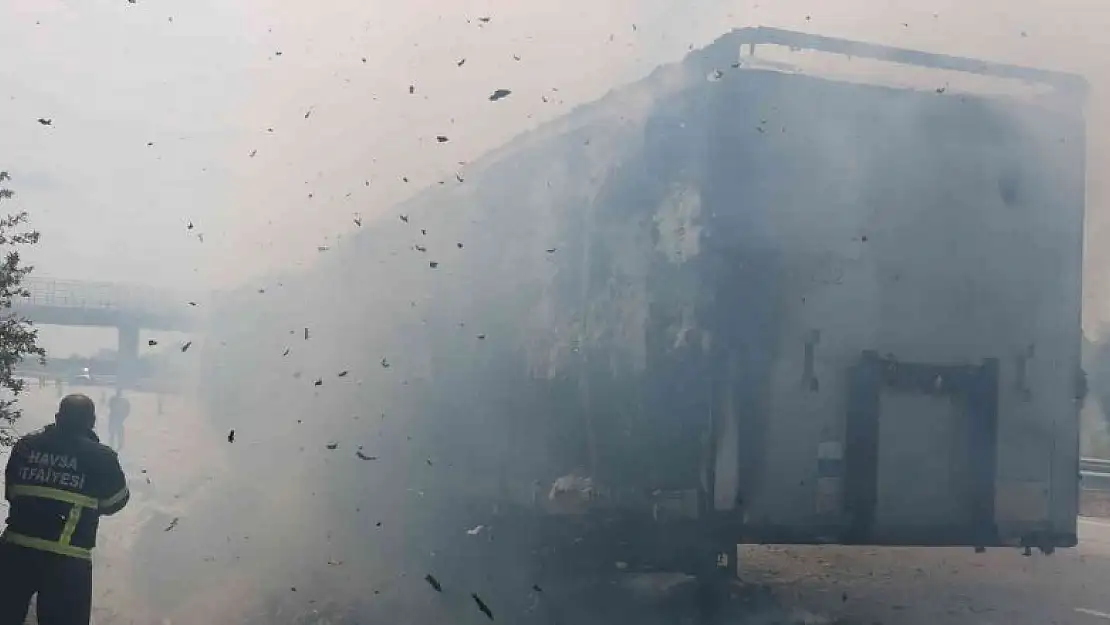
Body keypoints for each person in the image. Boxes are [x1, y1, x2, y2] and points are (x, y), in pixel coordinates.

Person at [0, 394, 129, 625]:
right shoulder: (101, 457)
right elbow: (115, 502)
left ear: (58, 417)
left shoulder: (25, 447)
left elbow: (12, 493)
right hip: (67, 562)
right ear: (91, 422)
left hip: (13, 554)